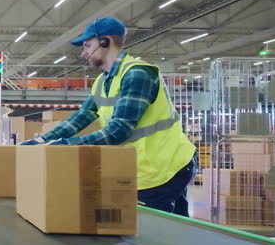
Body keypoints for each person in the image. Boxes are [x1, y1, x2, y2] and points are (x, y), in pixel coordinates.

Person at [21, 18, 197, 216]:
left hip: (163, 168)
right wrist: (43, 139)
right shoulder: (101, 82)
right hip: (143, 168)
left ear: (105, 42)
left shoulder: (137, 73)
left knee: (154, 235)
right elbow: (80, 118)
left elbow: (119, 130)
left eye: (88, 45)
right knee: (173, 231)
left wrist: (66, 146)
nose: (83, 53)